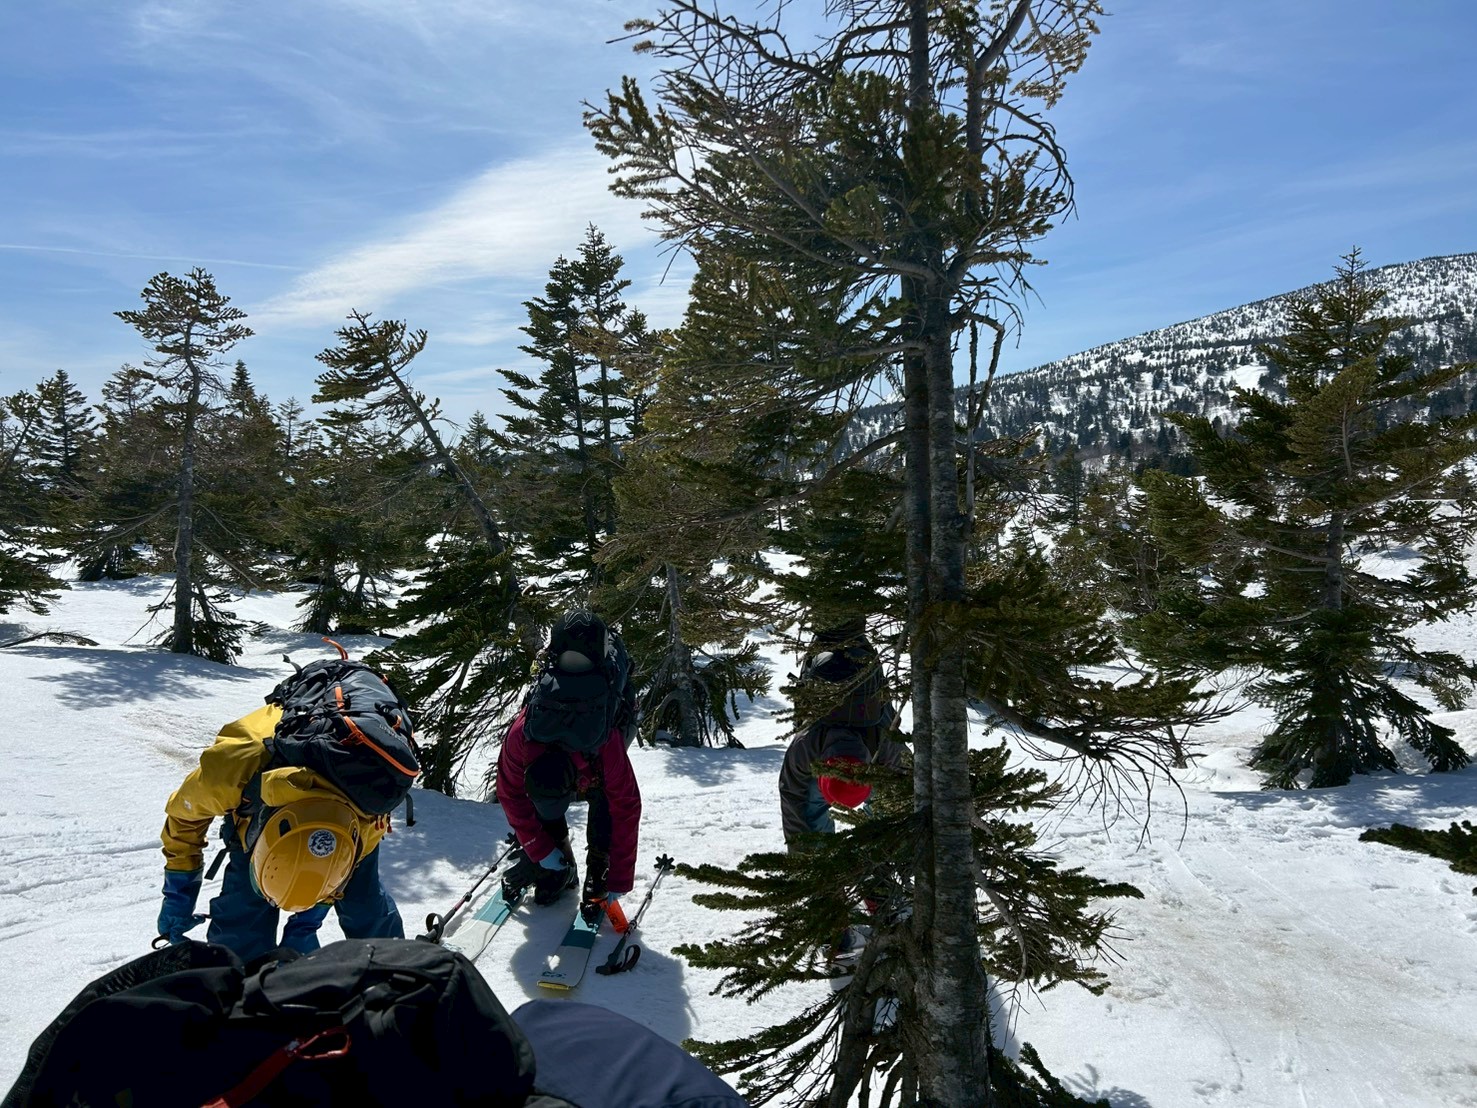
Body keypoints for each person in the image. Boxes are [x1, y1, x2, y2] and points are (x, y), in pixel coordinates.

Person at [157, 701, 404, 963]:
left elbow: (335, 873)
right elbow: (184, 816)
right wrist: (179, 893)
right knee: (241, 921)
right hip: (258, 791)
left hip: (350, 814)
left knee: (364, 904)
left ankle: (397, 970)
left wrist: (309, 919)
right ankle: (237, 974)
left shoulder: (371, 802)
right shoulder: (234, 768)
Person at [496, 609, 641, 926]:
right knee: (549, 795)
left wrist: (617, 876)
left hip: (601, 745)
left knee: (604, 798)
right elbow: (510, 793)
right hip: (571, 760)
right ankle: (560, 861)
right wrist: (539, 849)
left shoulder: (604, 738)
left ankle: (598, 867)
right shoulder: (527, 733)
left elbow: (625, 804)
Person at [778, 619, 905, 849]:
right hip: (867, 761)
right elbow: (792, 798)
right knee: (884, 805)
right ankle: (870, 853)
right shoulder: (807, 746)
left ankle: (828, 855)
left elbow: (793, 801)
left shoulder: (885, 748)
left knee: (810, 808)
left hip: (874, 763)